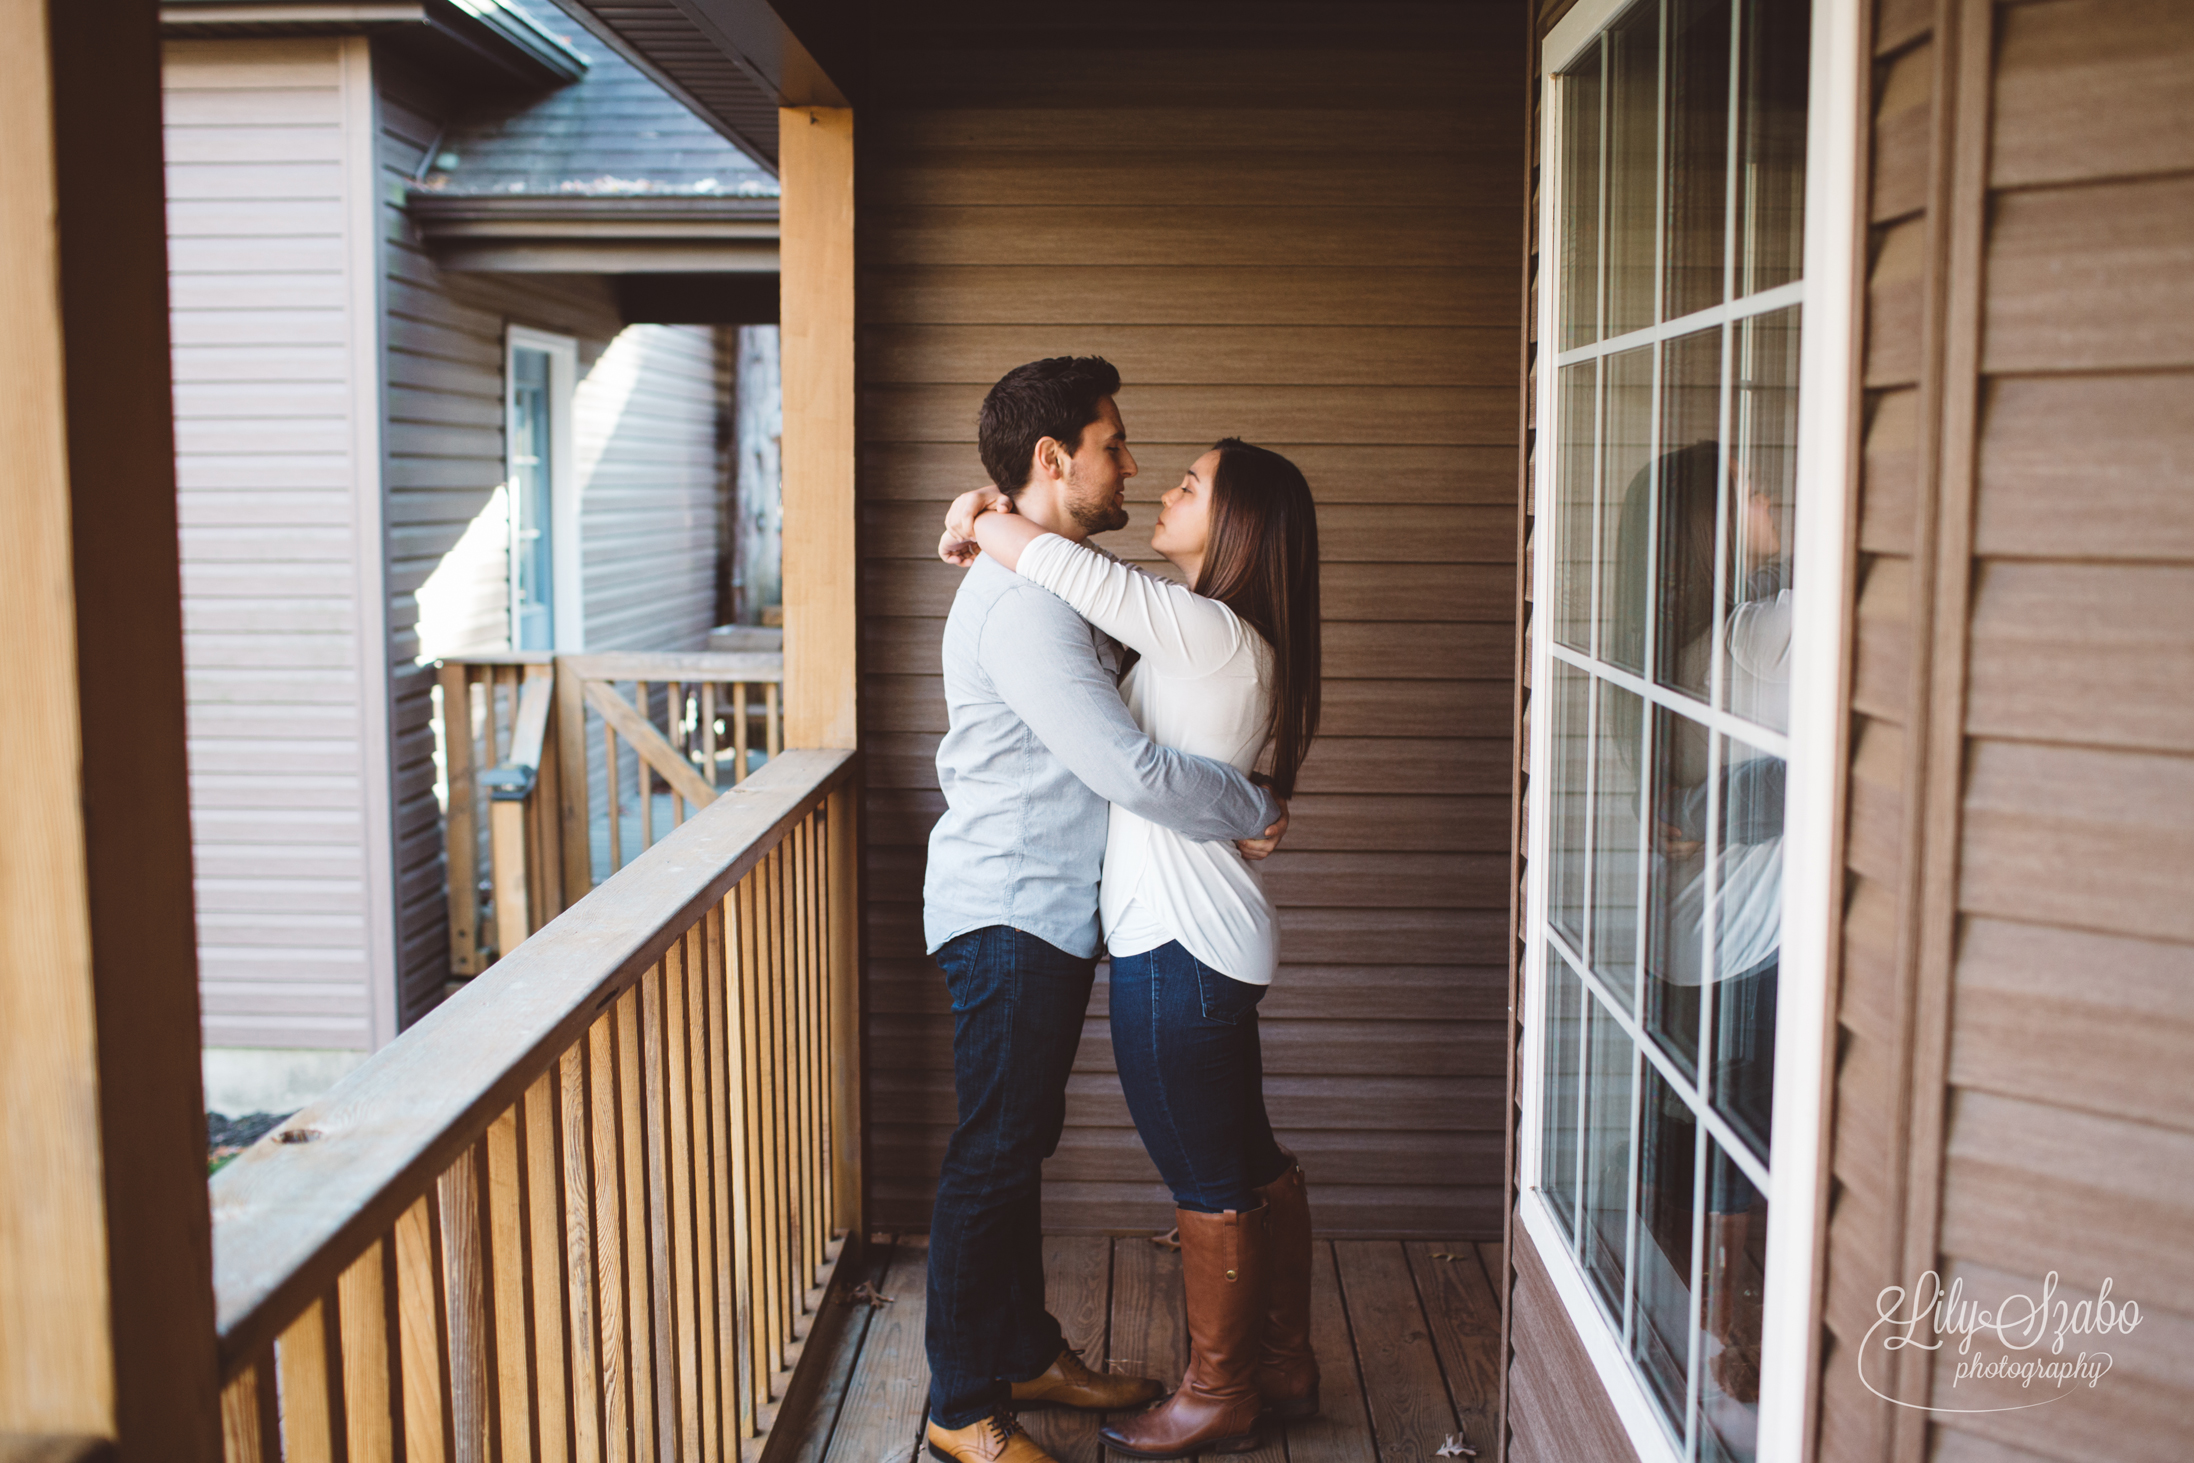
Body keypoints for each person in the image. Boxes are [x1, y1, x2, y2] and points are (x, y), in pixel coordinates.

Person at [920, 357, 1291, 1463]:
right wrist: (1246, 800)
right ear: (1054, 459)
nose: (1131, 462)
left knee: (1017, 1141)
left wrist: (982, 514)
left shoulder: (1058, 574)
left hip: (1046, 907)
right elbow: (1126, 764)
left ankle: (1026, 1347)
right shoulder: (1028, 605)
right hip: (1010, 906)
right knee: (991, 1150)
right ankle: (959, 1401)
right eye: (1115, 444)